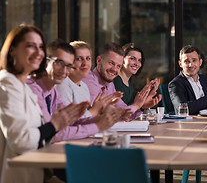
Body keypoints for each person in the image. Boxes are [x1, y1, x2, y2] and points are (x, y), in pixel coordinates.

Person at [0, 25, 86, 183]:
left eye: (40, 47)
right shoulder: (6, 84)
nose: (39, 52)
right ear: (12, 50)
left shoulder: (23, 86)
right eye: (31, 46)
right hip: (20, 177)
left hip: (39, 173)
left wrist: (62, 122)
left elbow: (39, 136)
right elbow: (20, 141)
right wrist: (54, 125)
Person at [27, 39, 131, 143]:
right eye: (59, 63)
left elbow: (71, 122)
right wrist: (97, 124)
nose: (64, 70)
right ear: (44, 61)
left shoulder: (53, 90)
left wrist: (105, 118)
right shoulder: (34, 88)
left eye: (68, 65)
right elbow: (55, 133)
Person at [83, 42, 160, 119]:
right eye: (111, 63)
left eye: (118, 66)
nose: (114, 69)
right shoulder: (89, 80)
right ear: (99, 61)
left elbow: (124, 114)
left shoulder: (110, 85)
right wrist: (136, 105)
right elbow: (101, 116)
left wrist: (141, 106)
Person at [56, 41, 122, 118]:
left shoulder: (84, 86)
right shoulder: (63, 84)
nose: (85, 63)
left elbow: (86, 120)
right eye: (79, 59)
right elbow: (66, 122)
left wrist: (102, 109)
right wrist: (94, 110)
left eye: (88, 58)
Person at [168, 45, 207, 115]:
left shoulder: (205, 79)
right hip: (194, 123)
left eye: (194, 60)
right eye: (187, 61)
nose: (191, 65)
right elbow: (182, 109)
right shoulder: (175, 84)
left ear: (200, 62)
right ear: (180, 64)